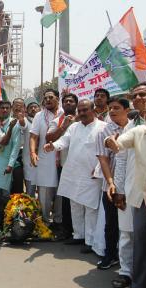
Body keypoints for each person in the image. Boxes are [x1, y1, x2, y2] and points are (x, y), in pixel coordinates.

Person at [104, 96, 146, 288]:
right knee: (141, 244)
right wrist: (111, 142)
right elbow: (119, 144)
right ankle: (139, 286)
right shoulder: (139, 132)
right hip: (140, 199)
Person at [44, 100, 105, 253]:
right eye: (80, 110)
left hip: (92, 175)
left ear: (93, 110)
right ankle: (78, 235)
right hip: (73, 172)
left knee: (90, 207)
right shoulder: (74, 127)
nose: (82, 113)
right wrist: (53, 146)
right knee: (75, 205)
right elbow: (64, 141)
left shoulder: (102, 127)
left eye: (85, 110)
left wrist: (98, 168)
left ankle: (90, 241)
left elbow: (105, 152)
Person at [95, 97, 130, 270]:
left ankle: (130, 264)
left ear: (127, 110)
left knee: (130, 226)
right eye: (110, 108)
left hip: (132, 185)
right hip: (111, 187)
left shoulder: (135, 129)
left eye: (116, 108)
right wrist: (110, 182)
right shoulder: (104, 130)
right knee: (111, 223)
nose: (112, 111)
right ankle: (110, 255)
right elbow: (103, 159)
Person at [46, 93, 78, 240]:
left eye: (71, 101)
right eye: (66, 101)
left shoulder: (86, 118)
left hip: (85, 168)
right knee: (66, 199)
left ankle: (82, 234)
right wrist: (63, 126)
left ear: (76, 104)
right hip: (65, 166)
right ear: (62, 104)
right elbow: (50, 138)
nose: (68, 103)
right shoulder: (57, 120)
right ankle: (67, 230)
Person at [30, 89, 63, 225]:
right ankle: (45, 222)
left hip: (63, 159)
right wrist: (32, 152)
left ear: (58, 98)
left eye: (51, 97)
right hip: (45, 158)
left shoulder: (64, 113)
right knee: (44, 193)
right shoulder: (39, 115)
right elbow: (33, 136)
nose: (48, 100)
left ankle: (58, 221)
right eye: (45, 98)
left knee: (61, 193)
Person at [0, 101, 21, 196]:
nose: (5, 110)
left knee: (5, 191)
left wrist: (11, 164)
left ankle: (5, 210)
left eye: (7, 108)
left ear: (10, 109)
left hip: (6, 161)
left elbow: (16, 146)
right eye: (2, 108)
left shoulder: (15, 124)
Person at [19, 99, 40, 197]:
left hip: (43, 159)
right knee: (30, 191)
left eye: (35, 107)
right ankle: (31, 211)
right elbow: (23, 125)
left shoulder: (44, 120)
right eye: (30, 107)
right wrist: (22, 120)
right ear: (27, 110)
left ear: (39, 108)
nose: (33, 109)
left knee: (43, 190)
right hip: (29, 160)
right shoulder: (26, 121)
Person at [10, 98, 26, 194]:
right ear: (12, 107)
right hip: (11, 153)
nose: (18, 107)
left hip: (24, 153)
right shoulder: (7, 120)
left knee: (21, 181)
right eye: (16, 105)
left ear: (24, 108)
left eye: (21, 105)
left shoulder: (29, 121)